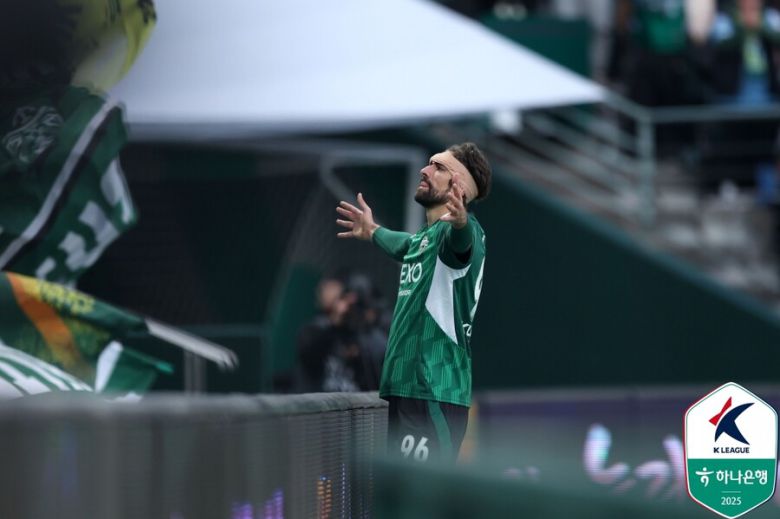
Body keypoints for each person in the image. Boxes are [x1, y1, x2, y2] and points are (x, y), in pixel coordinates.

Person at [336, 142, 491, 463]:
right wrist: (373, 231)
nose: (425, 170)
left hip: (432, 390)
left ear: (459, 187)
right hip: (407, 388)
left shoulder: (461, 233)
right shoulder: (426, 237)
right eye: (429, 163)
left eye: (438, 167)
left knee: (423, 492)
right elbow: (406, 245)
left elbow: (461, 243)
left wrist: (460, 221)